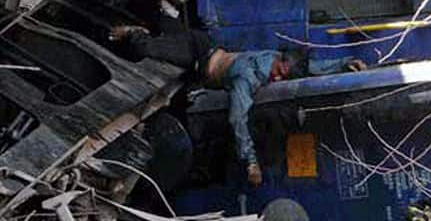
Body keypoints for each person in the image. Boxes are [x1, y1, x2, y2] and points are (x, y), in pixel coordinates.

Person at [111, 26, 358, 187]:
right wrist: (250, 161)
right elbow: (237, 119)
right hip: (196, 53)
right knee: (143, 47)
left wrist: (346, 64)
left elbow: (310, 68)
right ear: (279, 61)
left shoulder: (277, 60)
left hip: (200, 69)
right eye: (279, 74)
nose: (279, 79)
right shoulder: (248, 77)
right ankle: (130, 32)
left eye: (283, 76)